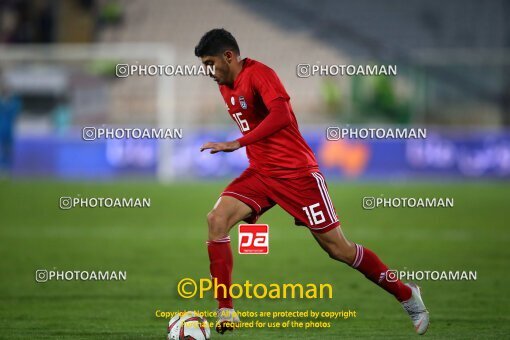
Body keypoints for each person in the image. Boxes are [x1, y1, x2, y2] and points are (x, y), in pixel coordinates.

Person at [195, 28, 429, 335]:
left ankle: (407, 295)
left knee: (340, 250)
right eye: (204, 66)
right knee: (217, 219)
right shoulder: (225, 85)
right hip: (262, 173)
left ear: (229, 56)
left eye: (210, 63)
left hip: (298, 175)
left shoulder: (260, 74)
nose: (208, 72)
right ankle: (226, 310)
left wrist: (236, 143)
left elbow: (281, 116)